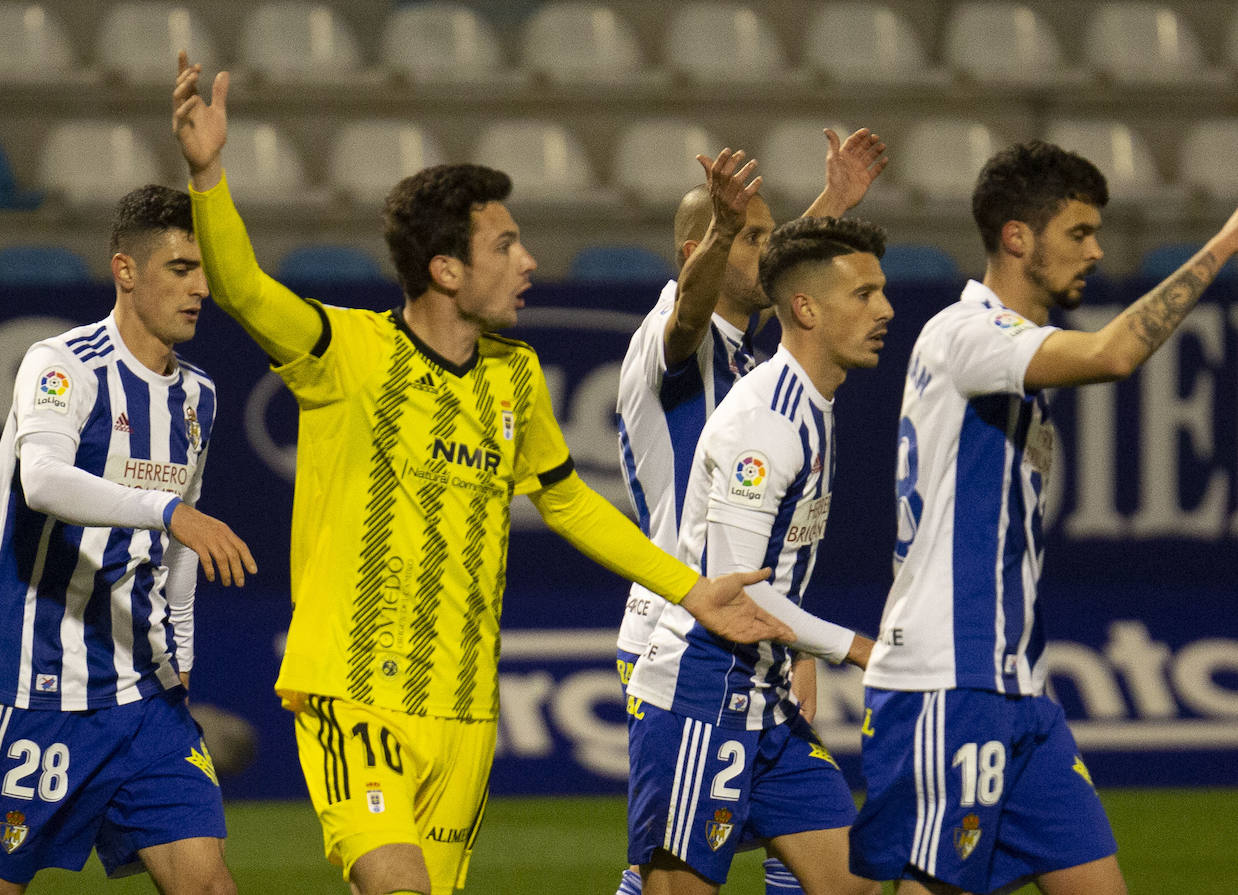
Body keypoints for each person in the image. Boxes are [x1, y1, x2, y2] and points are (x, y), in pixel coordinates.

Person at [171, 52, 791, 895]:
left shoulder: (515, 375)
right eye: (506, 244)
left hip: (465, 708)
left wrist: (689, 588)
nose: (529, 260)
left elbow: (568, 501)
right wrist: (209, 174)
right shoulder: (346, 355)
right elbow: (241, 288)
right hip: (357, 691)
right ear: (447, 269)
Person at [849, 140, 1238, 895]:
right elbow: (1113, 354)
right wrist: (1224, 244)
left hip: (1019, 688)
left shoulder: (1007, 350)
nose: (1094, 252)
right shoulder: (968, 336)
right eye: (1079, 233)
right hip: (948, 678)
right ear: (1019, 238)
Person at [0, 185, 257, 894]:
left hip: (145, 695)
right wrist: (168, 512)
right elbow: (45, 481)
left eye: (203, 271)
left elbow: (182, 541)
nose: (201, 288)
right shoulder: (62, 364)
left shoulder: (197, 395)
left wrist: (179, 652)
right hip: (39, 683)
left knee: (207, 883)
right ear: (126, 269)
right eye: (181, 268)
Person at [614, 133, 887, 895]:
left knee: (827, 868)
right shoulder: (670, 335)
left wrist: (832, 206)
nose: (764, 249)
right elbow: (693, 308)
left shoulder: (759, 363)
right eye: (750, 236)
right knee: (669, 868)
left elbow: (792, 285)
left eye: (769, 236)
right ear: (700, 247)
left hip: (756, 631)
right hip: (686, 627)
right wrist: (726, 233)